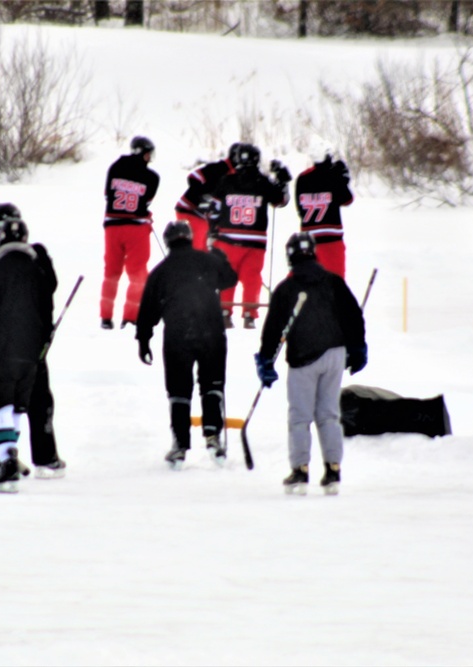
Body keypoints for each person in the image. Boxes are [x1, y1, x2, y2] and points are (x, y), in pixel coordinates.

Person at [255, 232, 366, 495]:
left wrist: (266, 359)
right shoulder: (333, 281)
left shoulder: (287, 288)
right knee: (328, 413)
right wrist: (358, 348)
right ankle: (333, 469)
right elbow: (353, 316)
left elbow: (273, 329)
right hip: (335, 354)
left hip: (303, 358)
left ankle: (300, 470)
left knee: (300, 416)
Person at [0, 204, 66, 479]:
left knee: (0, 398)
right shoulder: (27, 258)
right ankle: (27, 458)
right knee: (30, 398)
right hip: (25, 340)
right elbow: (47, 293)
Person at [135, 221, 239, 469]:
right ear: (190, 238)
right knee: (212, 385)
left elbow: (148, 309)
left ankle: (180, 444)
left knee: (179, 390)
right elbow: (230, 279)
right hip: (212, 333)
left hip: (177, 336)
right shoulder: (207, 260)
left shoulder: (161, 271)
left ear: (168, 241)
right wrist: (220, 257)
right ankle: (213, 437)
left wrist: (144, 339)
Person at [209, 143, 291, 329]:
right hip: (254, 242)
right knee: (252, 278)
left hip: (227, 239)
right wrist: (282, 181)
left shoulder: (226, 181)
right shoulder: (262, 181)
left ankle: (224, 313)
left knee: (226, 277)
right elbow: (281, 201)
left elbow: (213, 209)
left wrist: (213, 231)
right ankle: (249, 315)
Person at [100, 135, 160, 330]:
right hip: (136, 228)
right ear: (144, 153)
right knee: (137, 274)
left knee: (111, 272)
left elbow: (108, 195)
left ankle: (106, 318)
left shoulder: (115, 167)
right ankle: (130, 318)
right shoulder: (152, 177)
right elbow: (147, 202)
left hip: (112, 227)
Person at [294, 147, 354, 277]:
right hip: (331, 240)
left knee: (307, 283)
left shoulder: (302, 178)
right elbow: (347, 199)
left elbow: (299, 209)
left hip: (307, 242)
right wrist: (343, 179)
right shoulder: (333, 176)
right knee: (335, 284)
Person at [173, 143, 240, 251]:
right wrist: (204, 195)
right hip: (190, 210)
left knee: (204, 253)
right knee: (196, 252)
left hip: (202, 216)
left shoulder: (235, 177)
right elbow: (193, 177)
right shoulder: (220, 168)